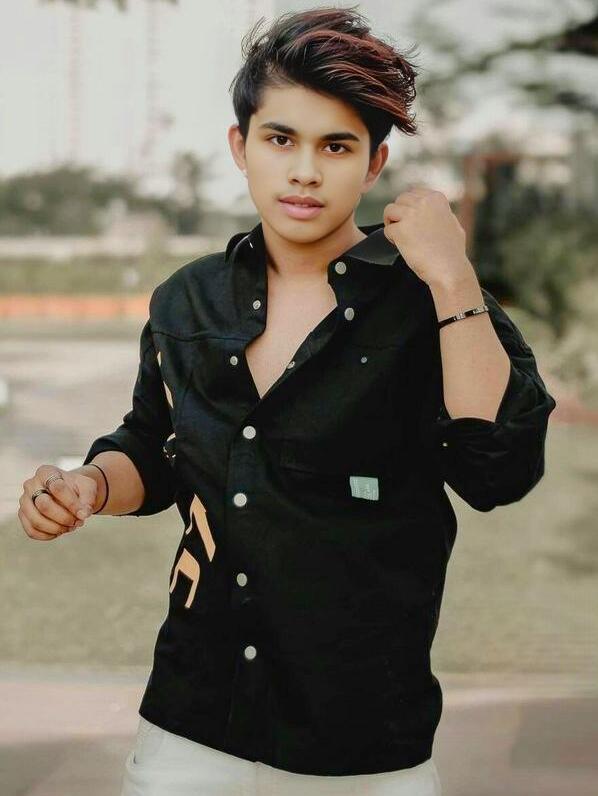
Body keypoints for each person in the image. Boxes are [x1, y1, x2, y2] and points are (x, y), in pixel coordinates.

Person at [17, 6, 556, 795]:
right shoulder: (186, 301)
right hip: (191, 726)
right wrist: (89, 485)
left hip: (364, 741)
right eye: (280, 140)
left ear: (373, 164)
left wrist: (451, 276)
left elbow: (497, 469)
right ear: (241, 147)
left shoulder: (428, 301)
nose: (305, 171)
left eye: (335, 146)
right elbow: (153, 446)